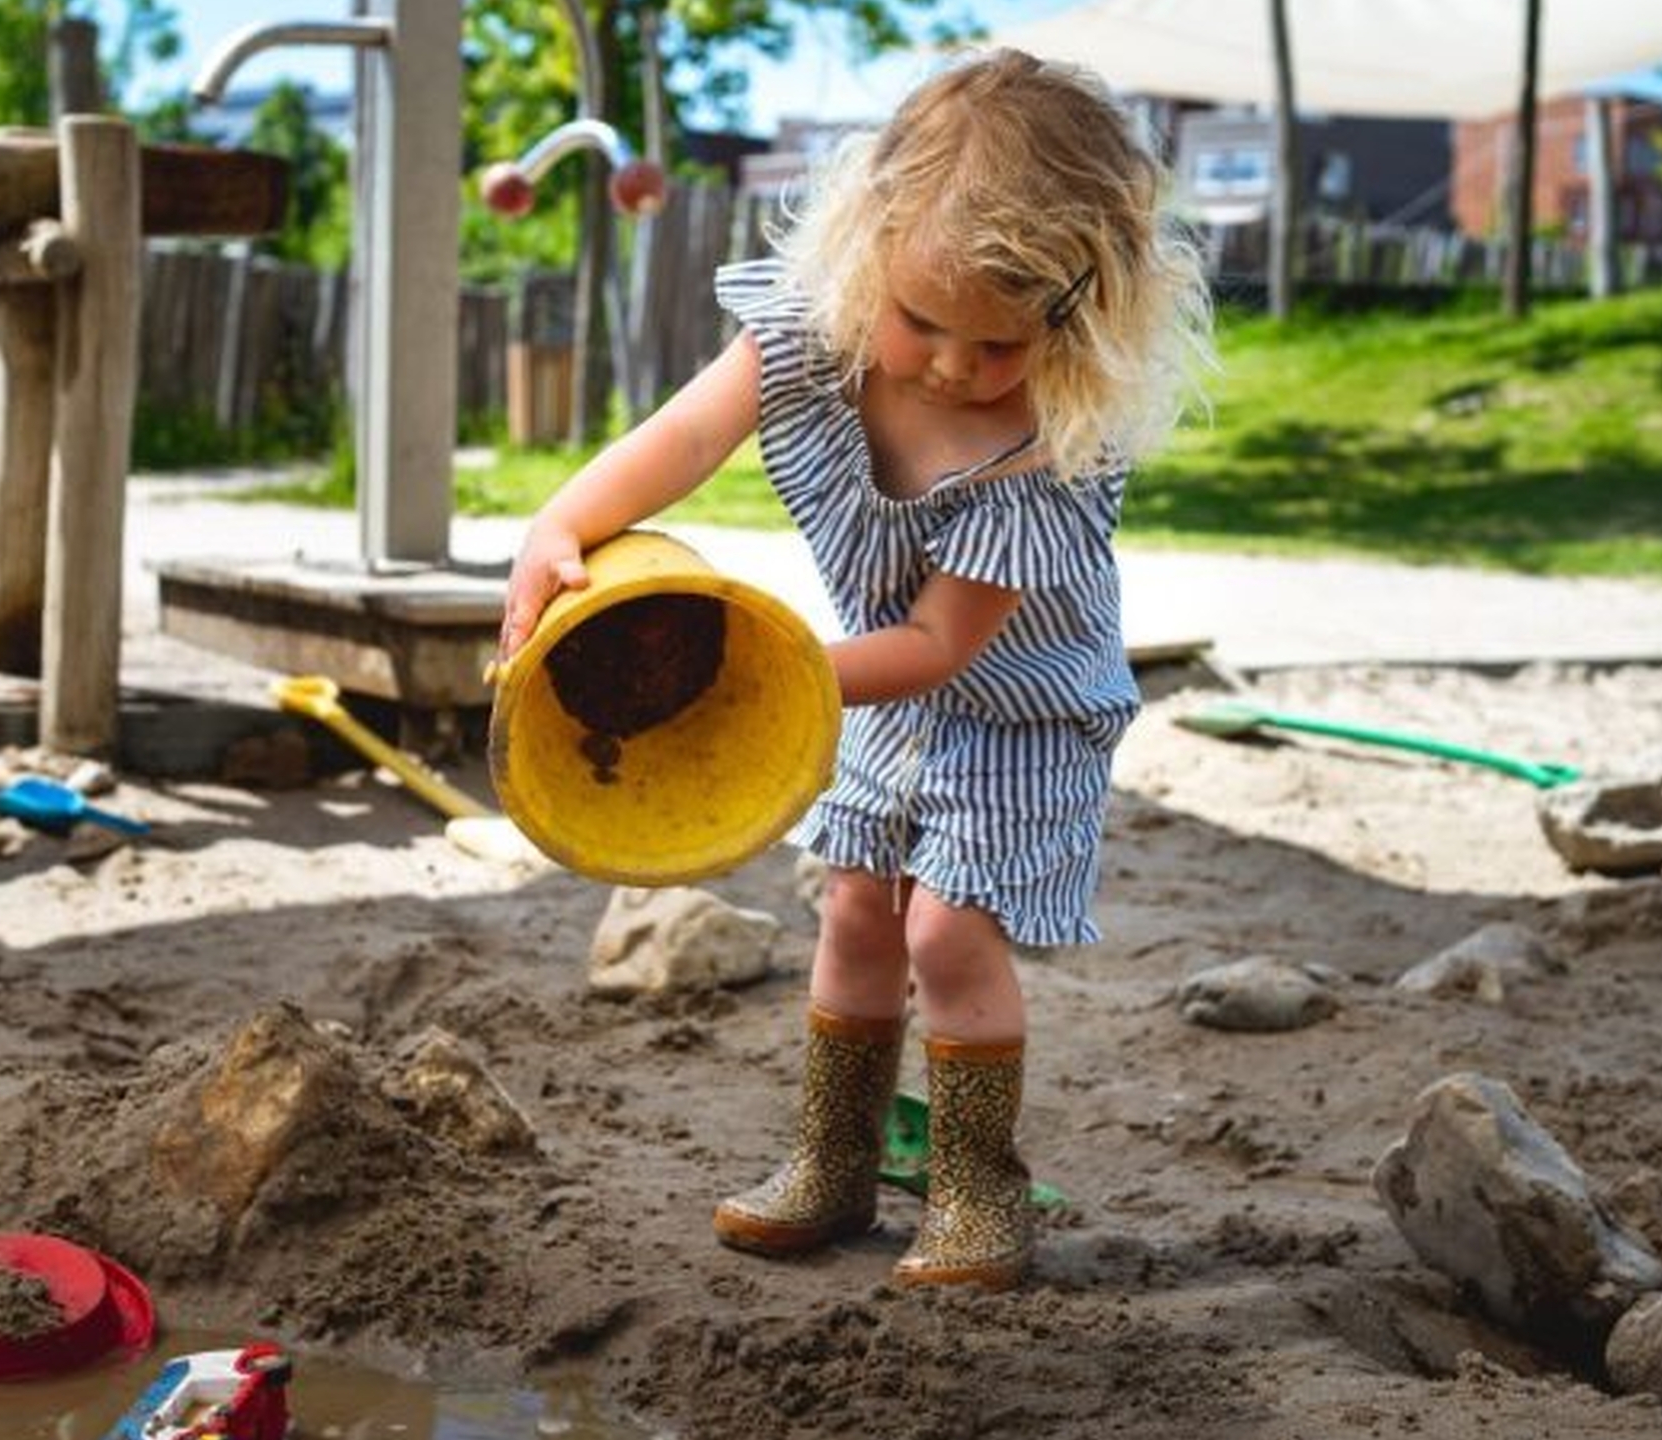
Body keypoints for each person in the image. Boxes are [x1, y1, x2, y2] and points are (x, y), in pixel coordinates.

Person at [497, 47, 1210, 1290]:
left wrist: (767, 679)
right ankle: (831, 1162)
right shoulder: (808, 335)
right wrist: (560, 523)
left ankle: (977, 1187)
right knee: (854, 908)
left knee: (942, 930)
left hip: (1019, 714)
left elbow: (941, 646)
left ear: (1077, 317)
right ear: (869, 246)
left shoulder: (1038, 459)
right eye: (921, 321)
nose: (949, 366)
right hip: (873, 688)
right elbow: (684, 435)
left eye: (997, 346)